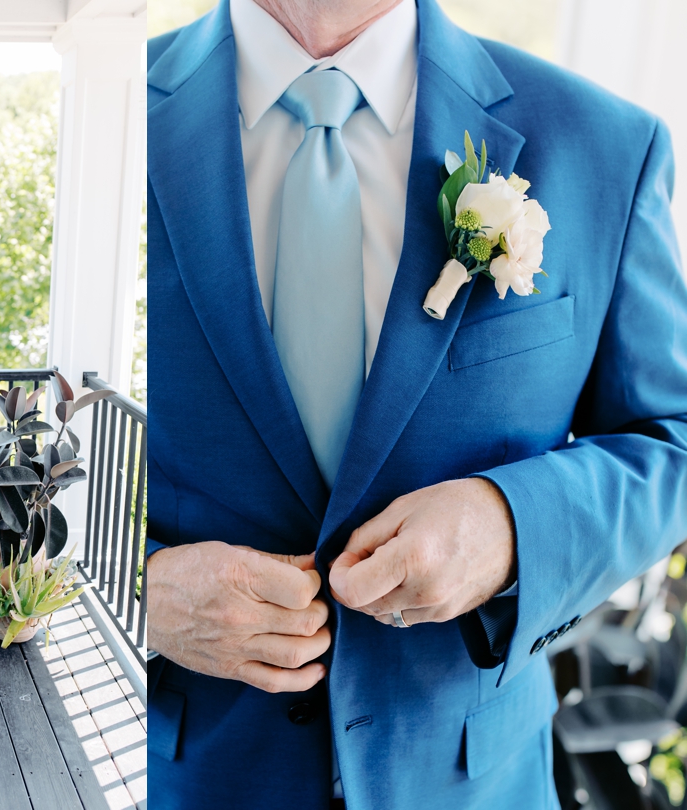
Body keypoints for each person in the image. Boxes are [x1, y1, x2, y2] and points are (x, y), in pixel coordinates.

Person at [145, 0, 687, 807]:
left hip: (475, 784)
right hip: (183, 777)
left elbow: (671, 441)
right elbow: (45, 451)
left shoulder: (605, 144)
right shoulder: (109, 115)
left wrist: (513, 528)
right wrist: (141, 593)